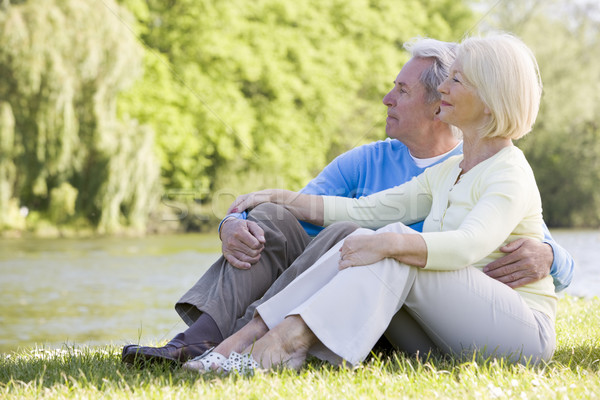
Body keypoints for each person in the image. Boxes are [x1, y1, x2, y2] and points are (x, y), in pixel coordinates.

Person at [121, 37, 574, 366]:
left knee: (385, 243)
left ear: (491, 102)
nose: (445, 92)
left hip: (518, 336)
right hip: (439, 330)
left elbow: (468, 246)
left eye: (456, 82)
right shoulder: (445, 172)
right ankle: (227, 344)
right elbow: (363, 210)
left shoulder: (510, 173)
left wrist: (388, 244)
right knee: (359, 233)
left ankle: (267, 348)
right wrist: (269, 199)